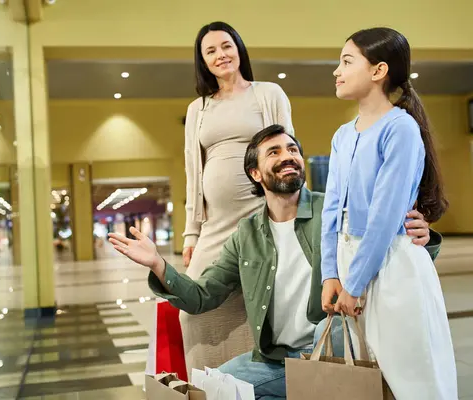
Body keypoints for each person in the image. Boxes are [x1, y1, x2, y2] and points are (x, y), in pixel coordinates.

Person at [109, 125, 440, 399]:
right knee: (210, 390)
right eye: (275, 152)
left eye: (293, 149)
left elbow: (390, 250)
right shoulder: (247, 234)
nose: (288, 157)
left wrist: (423, 239)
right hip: (273, 360)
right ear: (255, 173)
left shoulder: (336, 213)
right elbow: (202, 296)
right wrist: (157, 265)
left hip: (331, 354)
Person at [320, 28, 457, 399]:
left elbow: (384, 215)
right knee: (366, 380)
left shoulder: (401, 128)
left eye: (347, 61)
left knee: (415, 379)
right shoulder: (342, 135)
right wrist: (330, 273)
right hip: (351, 268)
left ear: (379, 70)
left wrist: (355, 281)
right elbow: (331, 209)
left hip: (393, 265)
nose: (337, 70)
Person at [180, 20, 295, 372]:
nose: (220, 55)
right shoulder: (197, 108)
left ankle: (261, 383)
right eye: (210, 51)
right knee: (195, 310)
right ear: (203, 61)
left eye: (226, 45)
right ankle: (209, 385)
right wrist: (191, 232)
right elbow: (193, 173)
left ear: (239, 49)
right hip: (215, 224)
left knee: (264, 306)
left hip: (262, 218)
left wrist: (291, 220)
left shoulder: (268, 93)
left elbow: (288, 155)